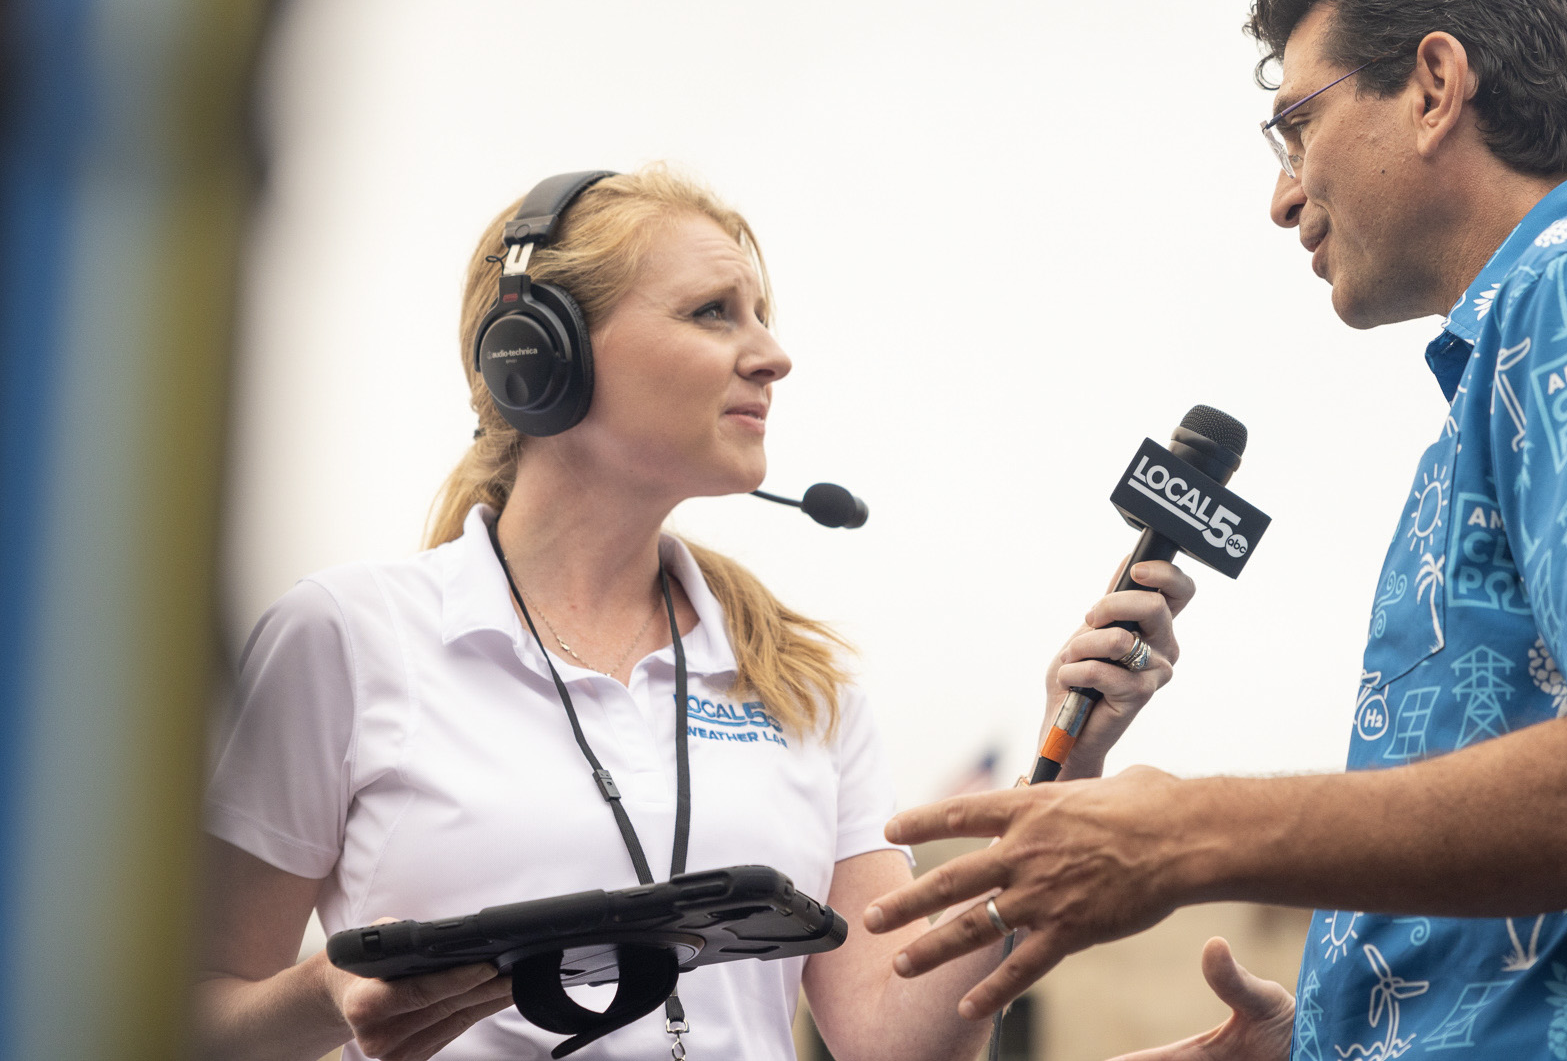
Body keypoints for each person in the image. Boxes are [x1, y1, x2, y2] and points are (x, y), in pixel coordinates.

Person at [865, 0, 1567, 1060]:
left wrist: (1183, 832)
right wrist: (1338, 1036)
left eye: (1295, 126)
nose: (1282, 194)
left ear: (1434, 87)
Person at [196, 165, 1197, 1061]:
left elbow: (898, 1042)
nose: (772, 355)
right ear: (539, 357)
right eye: (714, 311)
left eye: (758, 313)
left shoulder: (802, 680)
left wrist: (1060, 777)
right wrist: (325, 996)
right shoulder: (345, 638)